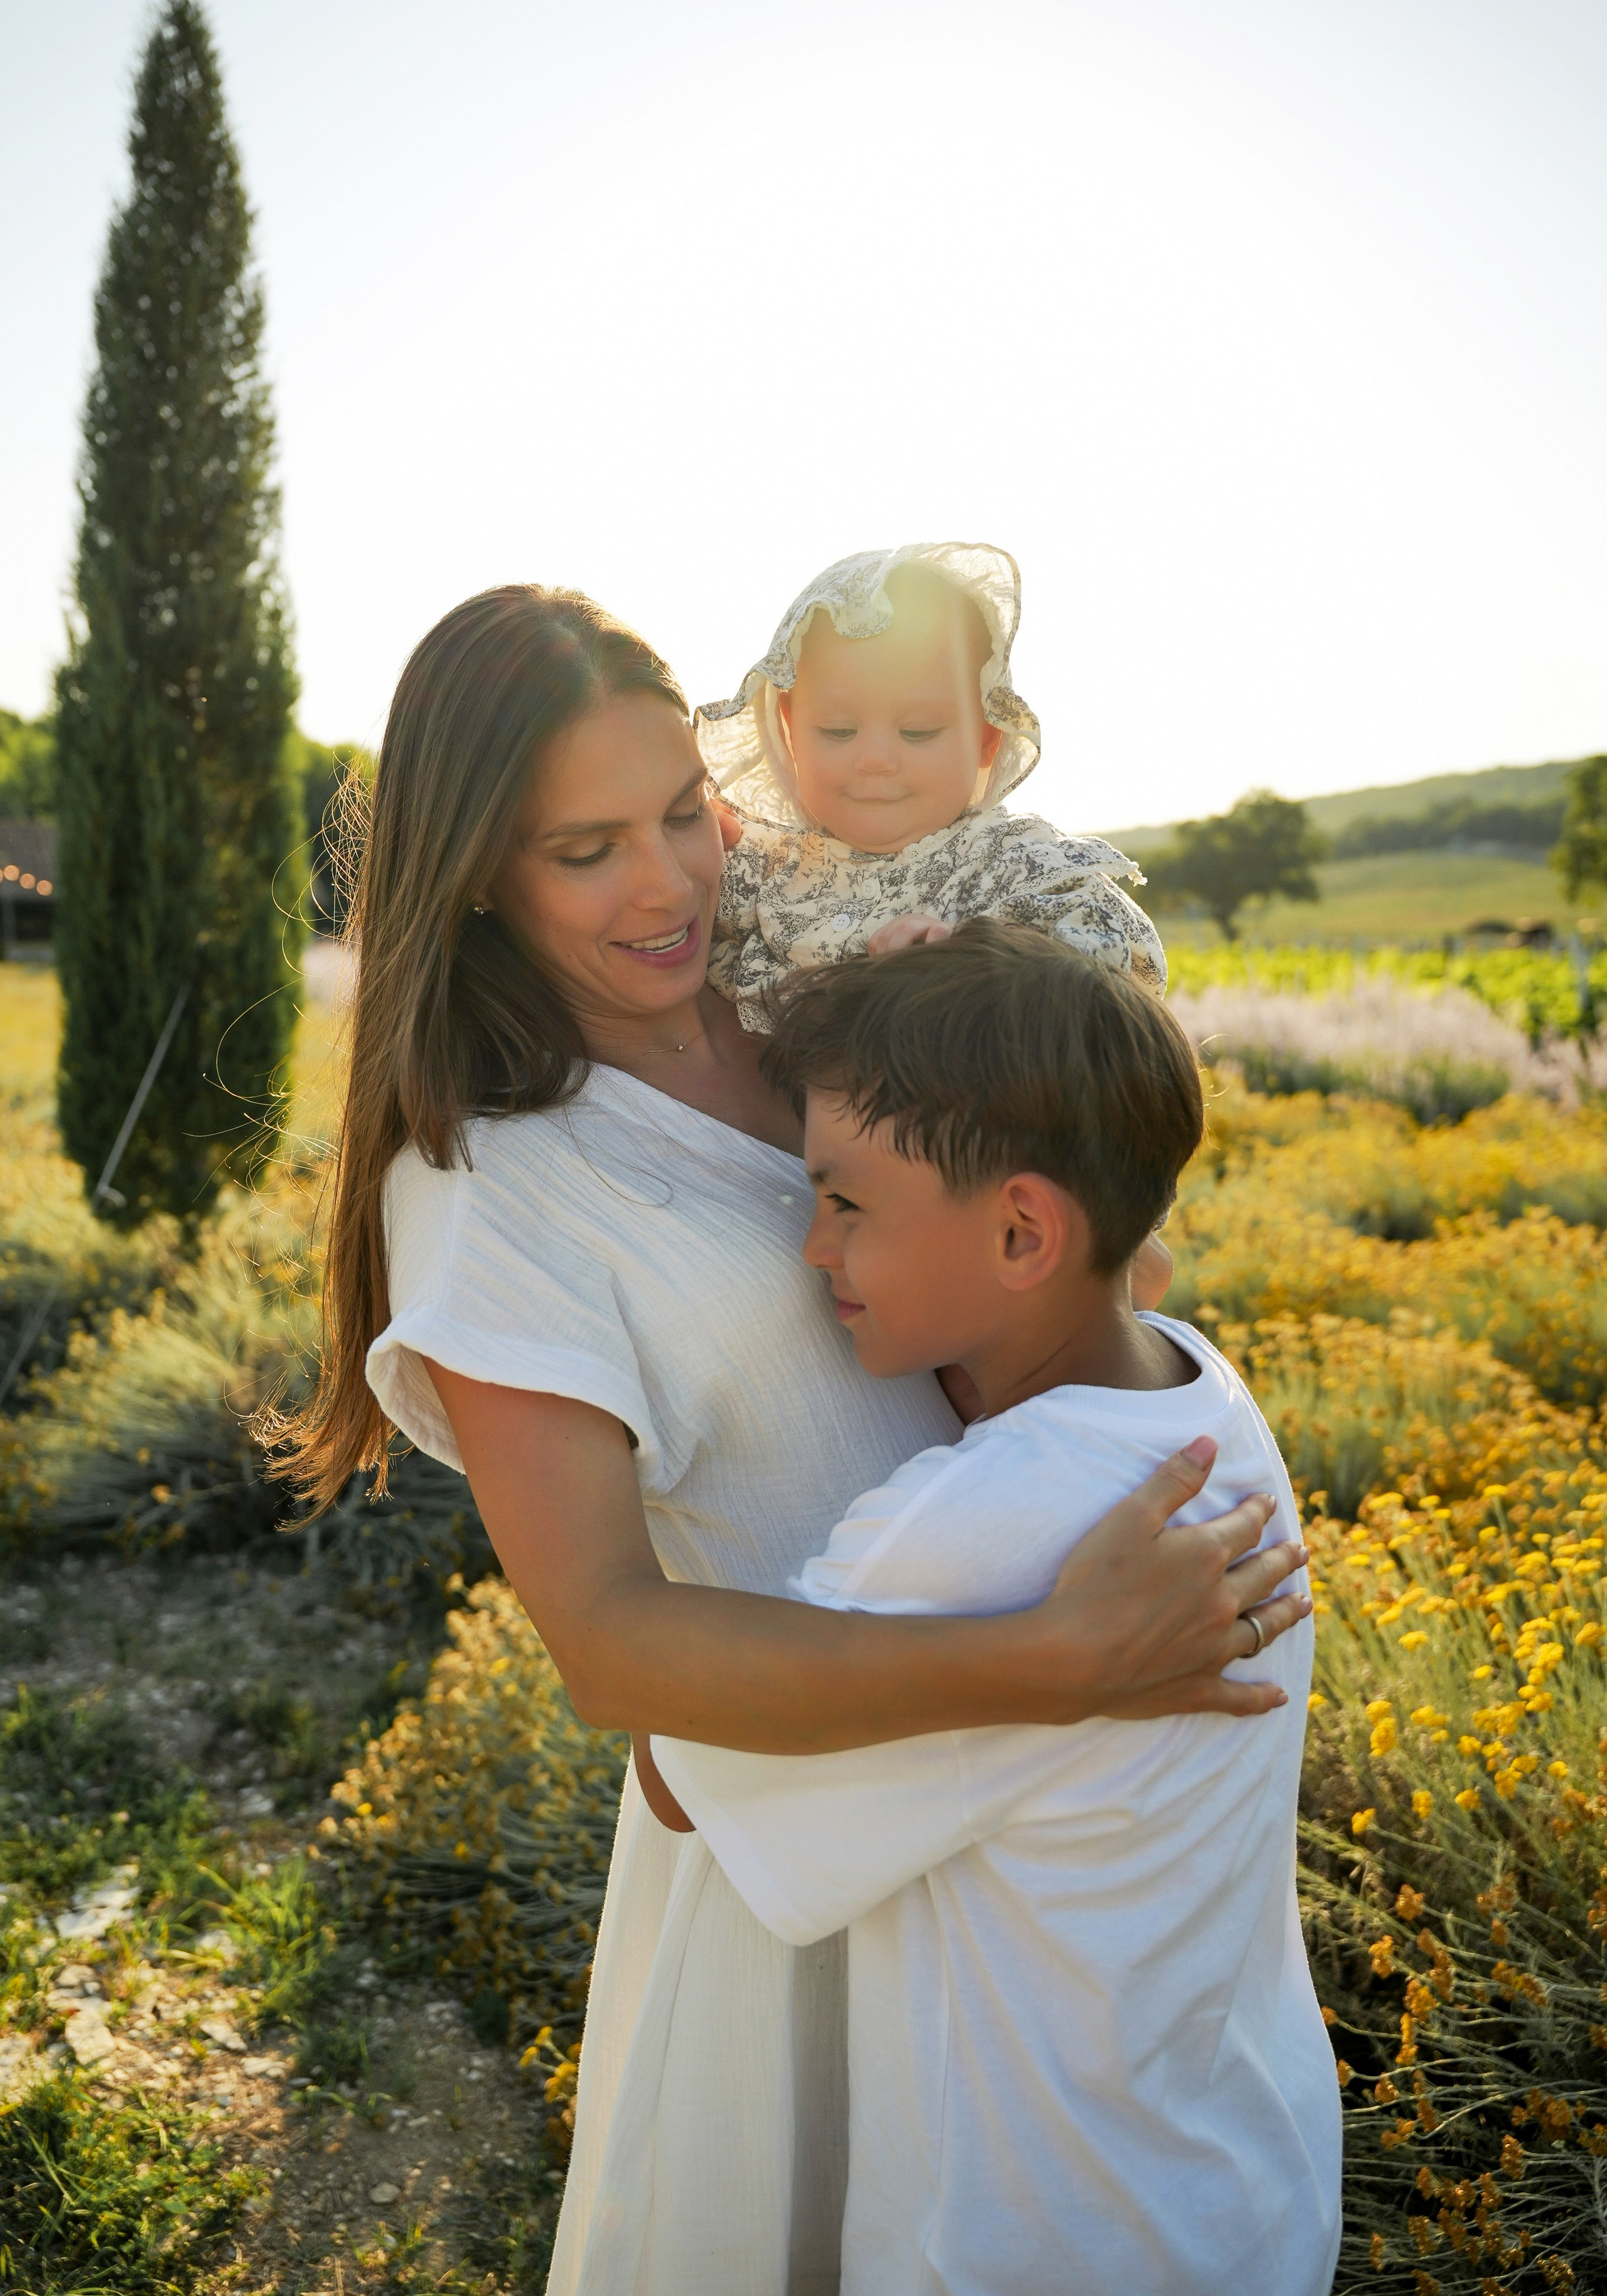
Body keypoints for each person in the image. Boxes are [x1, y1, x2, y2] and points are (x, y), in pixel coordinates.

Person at [284, 583, 1311, 2296]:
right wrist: (1043, 1656)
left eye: (685, 810)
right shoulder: (488, 1181)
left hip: (1054, 1818)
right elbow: (613, 1648)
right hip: (793, 1834)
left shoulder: (822, 974)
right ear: (475, 870)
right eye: (587, 849)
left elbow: (1084, 1209)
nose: (675, 881)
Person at [653, 927, 1339, 2296]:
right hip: (1242, 2189)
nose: (810, 1245)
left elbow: (679, 1775)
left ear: (1022, 1230)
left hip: (1030, 2242)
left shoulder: (974, 1530)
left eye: (845, 1201)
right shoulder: (1198, 1396)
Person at [694, 541, 1164, 1033]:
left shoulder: (1009, 861)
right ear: (791, 731)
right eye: (838, 730)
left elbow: (1129, 961)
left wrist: (976, 952)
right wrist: (693, 841)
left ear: (988, 735)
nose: (874, 759)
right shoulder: (767, 869)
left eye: (917, 731)